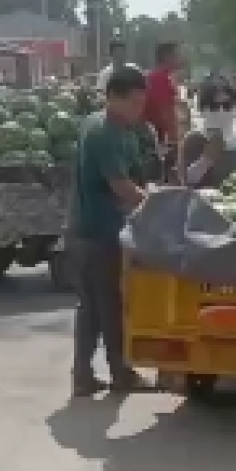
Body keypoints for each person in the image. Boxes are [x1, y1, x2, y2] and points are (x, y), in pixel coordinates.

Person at [70, 64, 150, 397]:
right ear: (113, 98)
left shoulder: (111, 127)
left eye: (141, 103)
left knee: (92, 304)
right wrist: (157, 203)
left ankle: (85, 375)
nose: (138, 110)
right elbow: (122, 187)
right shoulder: (104, 132)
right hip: (97, 232)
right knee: (108, 304)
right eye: (133, 103)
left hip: (93, 229)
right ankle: (119, 373)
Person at [181, 77, 236, 189]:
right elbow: (186, 183)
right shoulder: (193, 140)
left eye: (227, 105)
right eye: (214, 106)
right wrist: (205, 160)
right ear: (202, 109)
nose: (221, 111)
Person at [143, 42, 181, 179]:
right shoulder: (159, 78)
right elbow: (165, 113)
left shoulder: (163, 77)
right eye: (177, 55)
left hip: (158, 137)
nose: (180, 58)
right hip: (157, 139)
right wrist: (175, 143)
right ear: (167, 57)